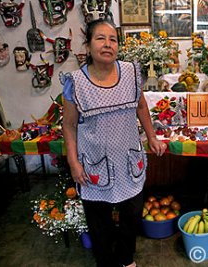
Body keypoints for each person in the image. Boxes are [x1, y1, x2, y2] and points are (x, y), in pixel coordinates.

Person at [62, 19, 166, 267]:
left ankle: (126, 259)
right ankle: (106, 261)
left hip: (129, 160)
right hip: (95, 162)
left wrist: (151, 136)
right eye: (100, 38)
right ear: (87, 46)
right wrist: (73, 162)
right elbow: (69, 125)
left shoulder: (131, 72)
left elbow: (141, 105)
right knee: (100, 221)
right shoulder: (75, 83)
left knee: (131, 215)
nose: (108, 44)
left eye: (113, 39)